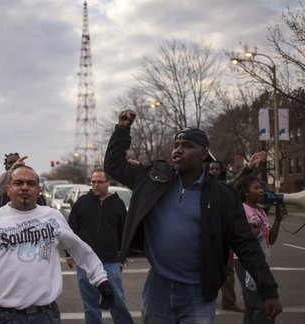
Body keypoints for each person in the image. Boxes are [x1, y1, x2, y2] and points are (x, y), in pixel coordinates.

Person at [103, 109, 282, 324]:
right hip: (157, 287)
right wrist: (122, 130)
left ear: (204, 154)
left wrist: (268, 290)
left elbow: (246, 245)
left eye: (187, 146)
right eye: (176, 145)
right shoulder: (153, 179)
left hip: (199, 291)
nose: (178, 150)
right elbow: (113, 166)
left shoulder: (222, 196)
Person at [0, 165, 115, 324]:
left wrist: (100, 279)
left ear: (39, 190)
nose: (25, 187)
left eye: (31, 183)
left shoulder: (52, 217)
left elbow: (80, 249)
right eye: (18, 183)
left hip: (47, 316)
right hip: (6, 317)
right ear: (8, 189)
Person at [66, 169, 133, 324]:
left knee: (117, 301)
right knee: (90, 304)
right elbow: (71, 230)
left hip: (110, 261)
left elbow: (124, 232)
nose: (95, 185)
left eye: (99, 182)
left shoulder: (118, 204)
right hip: (85, 263)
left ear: (108, 182)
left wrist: (122, 257)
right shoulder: (82, 202)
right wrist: (69, 253)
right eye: (93, 182)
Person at [235, 175, 283, 324]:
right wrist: (251, 233)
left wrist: (278, 219)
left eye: (261, 188)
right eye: (256, 188)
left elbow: (271, 240)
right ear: (246, 192)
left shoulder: (261, 212)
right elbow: (241, 238)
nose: (261, 191)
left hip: (258, 261)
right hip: (245, 261)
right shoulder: (242, 210)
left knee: (251, 306)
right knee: (261, 305)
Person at [206, 160, 244, 313]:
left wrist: (247, 168)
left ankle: (229, 302)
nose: (214, 171)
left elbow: (236, 179)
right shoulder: (201, 185)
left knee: (228, 271)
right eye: (211, 168)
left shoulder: (224, 187)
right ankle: (206, 299)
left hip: (223, 236)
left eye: (217, 169)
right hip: (207, 236)